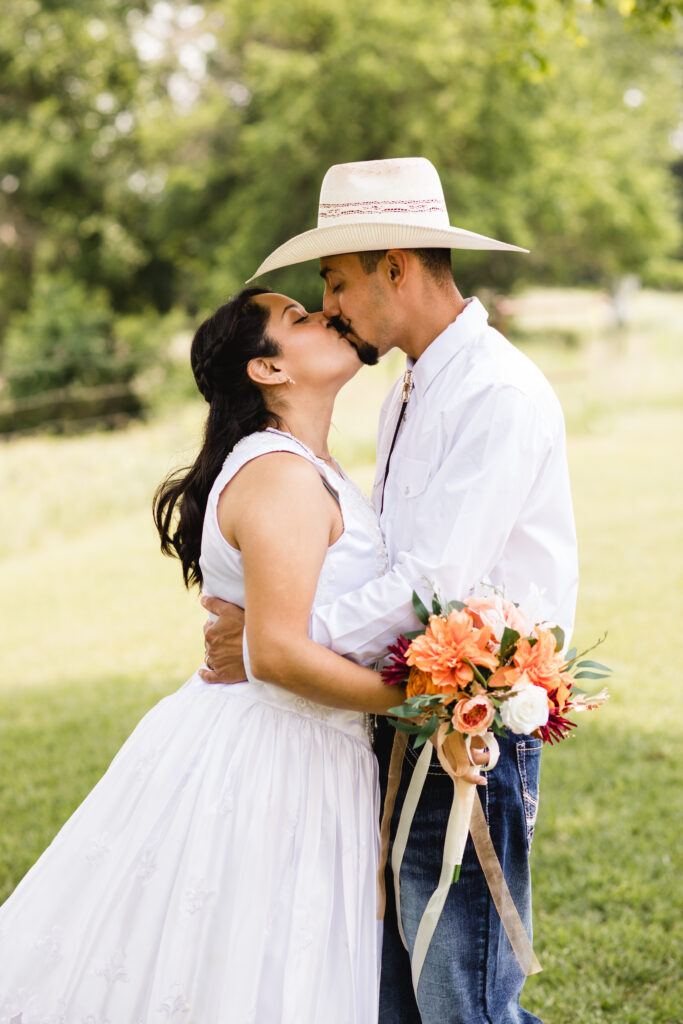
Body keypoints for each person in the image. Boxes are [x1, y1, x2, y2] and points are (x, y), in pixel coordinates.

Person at [202, 157, 579, 1024]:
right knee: (398, 994)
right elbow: (385, 562)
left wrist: (281, 638)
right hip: (406, 716)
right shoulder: (407, 387)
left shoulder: (495, 392)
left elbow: (429, 588)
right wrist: (282, 634)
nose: (330, 304)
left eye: (335, 281)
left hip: (471, 736)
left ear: (395, 266)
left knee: (462, 996)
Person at [0, 287, 412, 1024]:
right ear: (267, 370)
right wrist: (422, 701)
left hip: (304, 745)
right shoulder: (280, 476)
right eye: (298, 318)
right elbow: (279, 654)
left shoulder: (307, 466)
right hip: (272, 755)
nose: (324, 313)